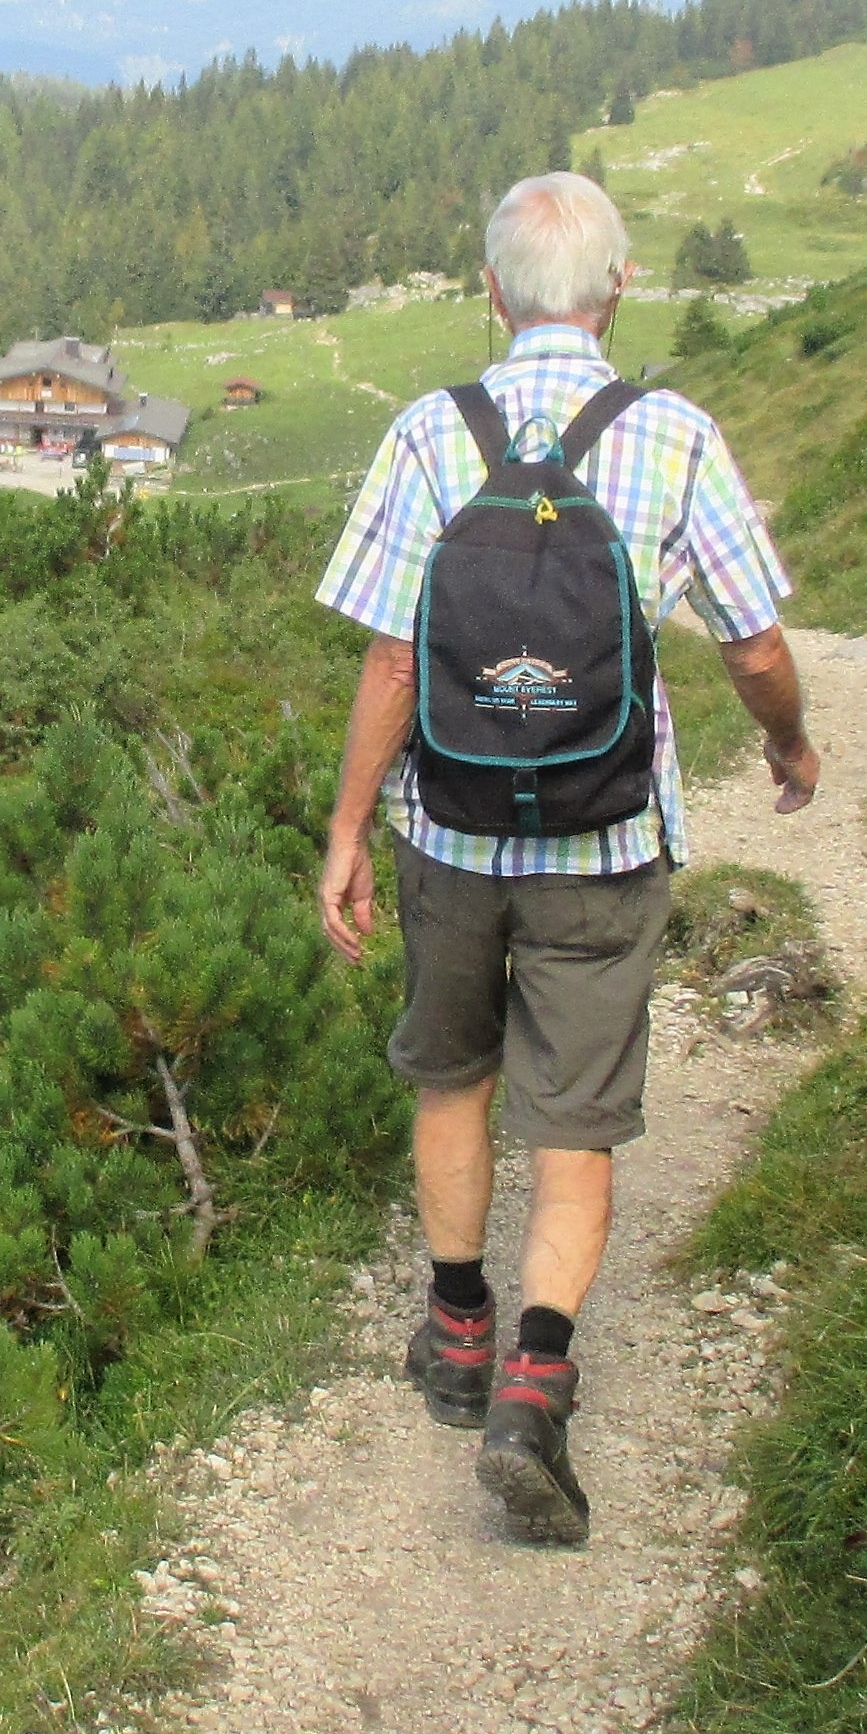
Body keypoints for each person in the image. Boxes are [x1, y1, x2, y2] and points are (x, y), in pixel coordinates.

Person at [312, 172, 820, 1546]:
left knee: (452, 1067)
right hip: (605, 836)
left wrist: (352, 827)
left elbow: (391, 654)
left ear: (492, 292)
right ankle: (537, 1379)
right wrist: (789, 749)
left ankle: (456, 1329)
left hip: (451, 829)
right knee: (578, 1109)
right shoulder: (673, 433)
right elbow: (758, 643)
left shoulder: (429, 432)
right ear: (617, 291)